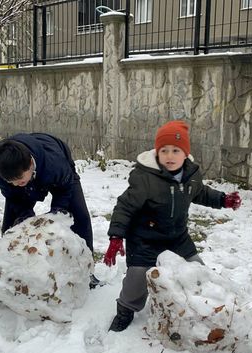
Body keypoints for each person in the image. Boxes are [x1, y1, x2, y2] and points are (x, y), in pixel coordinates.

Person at [103, 120, 242, 332]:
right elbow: (125, 206)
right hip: (144, 239)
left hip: (177, 237)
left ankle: (201, 307)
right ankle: (125, 310)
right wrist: (116, 237)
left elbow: (201, 193)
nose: (169, 156)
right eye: (164, 150)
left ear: (185, 154)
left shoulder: (190, 175)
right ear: (157, 152)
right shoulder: (145, 178)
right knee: (137, 278)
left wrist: (223, 200)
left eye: (176, 150)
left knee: (198, 270)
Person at [0, 133, 100, 288]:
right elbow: (11, 195)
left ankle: (86, 273)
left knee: (79, 217)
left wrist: (57, 213)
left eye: (20, 180)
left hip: (59, 172)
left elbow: (66, 187)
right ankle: (7, 271)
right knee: (12, 223)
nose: (16, 184)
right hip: (29, 168)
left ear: (30, 165)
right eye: (11, 181)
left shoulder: (55, 165)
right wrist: (24, 215)